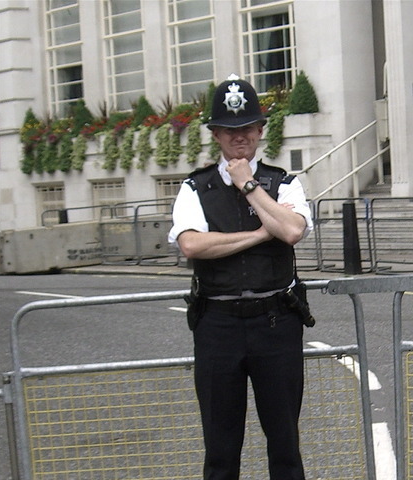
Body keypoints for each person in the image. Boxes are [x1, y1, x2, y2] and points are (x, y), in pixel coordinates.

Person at [168, 74, 313, 480]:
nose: (239, 137)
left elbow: (293, 231)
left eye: (247, 127)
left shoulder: (283, 182)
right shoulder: (195, 188)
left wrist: (248, 184)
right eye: (229, 130)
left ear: (261, 130)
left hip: (276, 323)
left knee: (285, 445)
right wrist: (258, 233)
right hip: (218, 326)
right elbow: (193, 246)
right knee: (220, 449)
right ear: (215, 133)